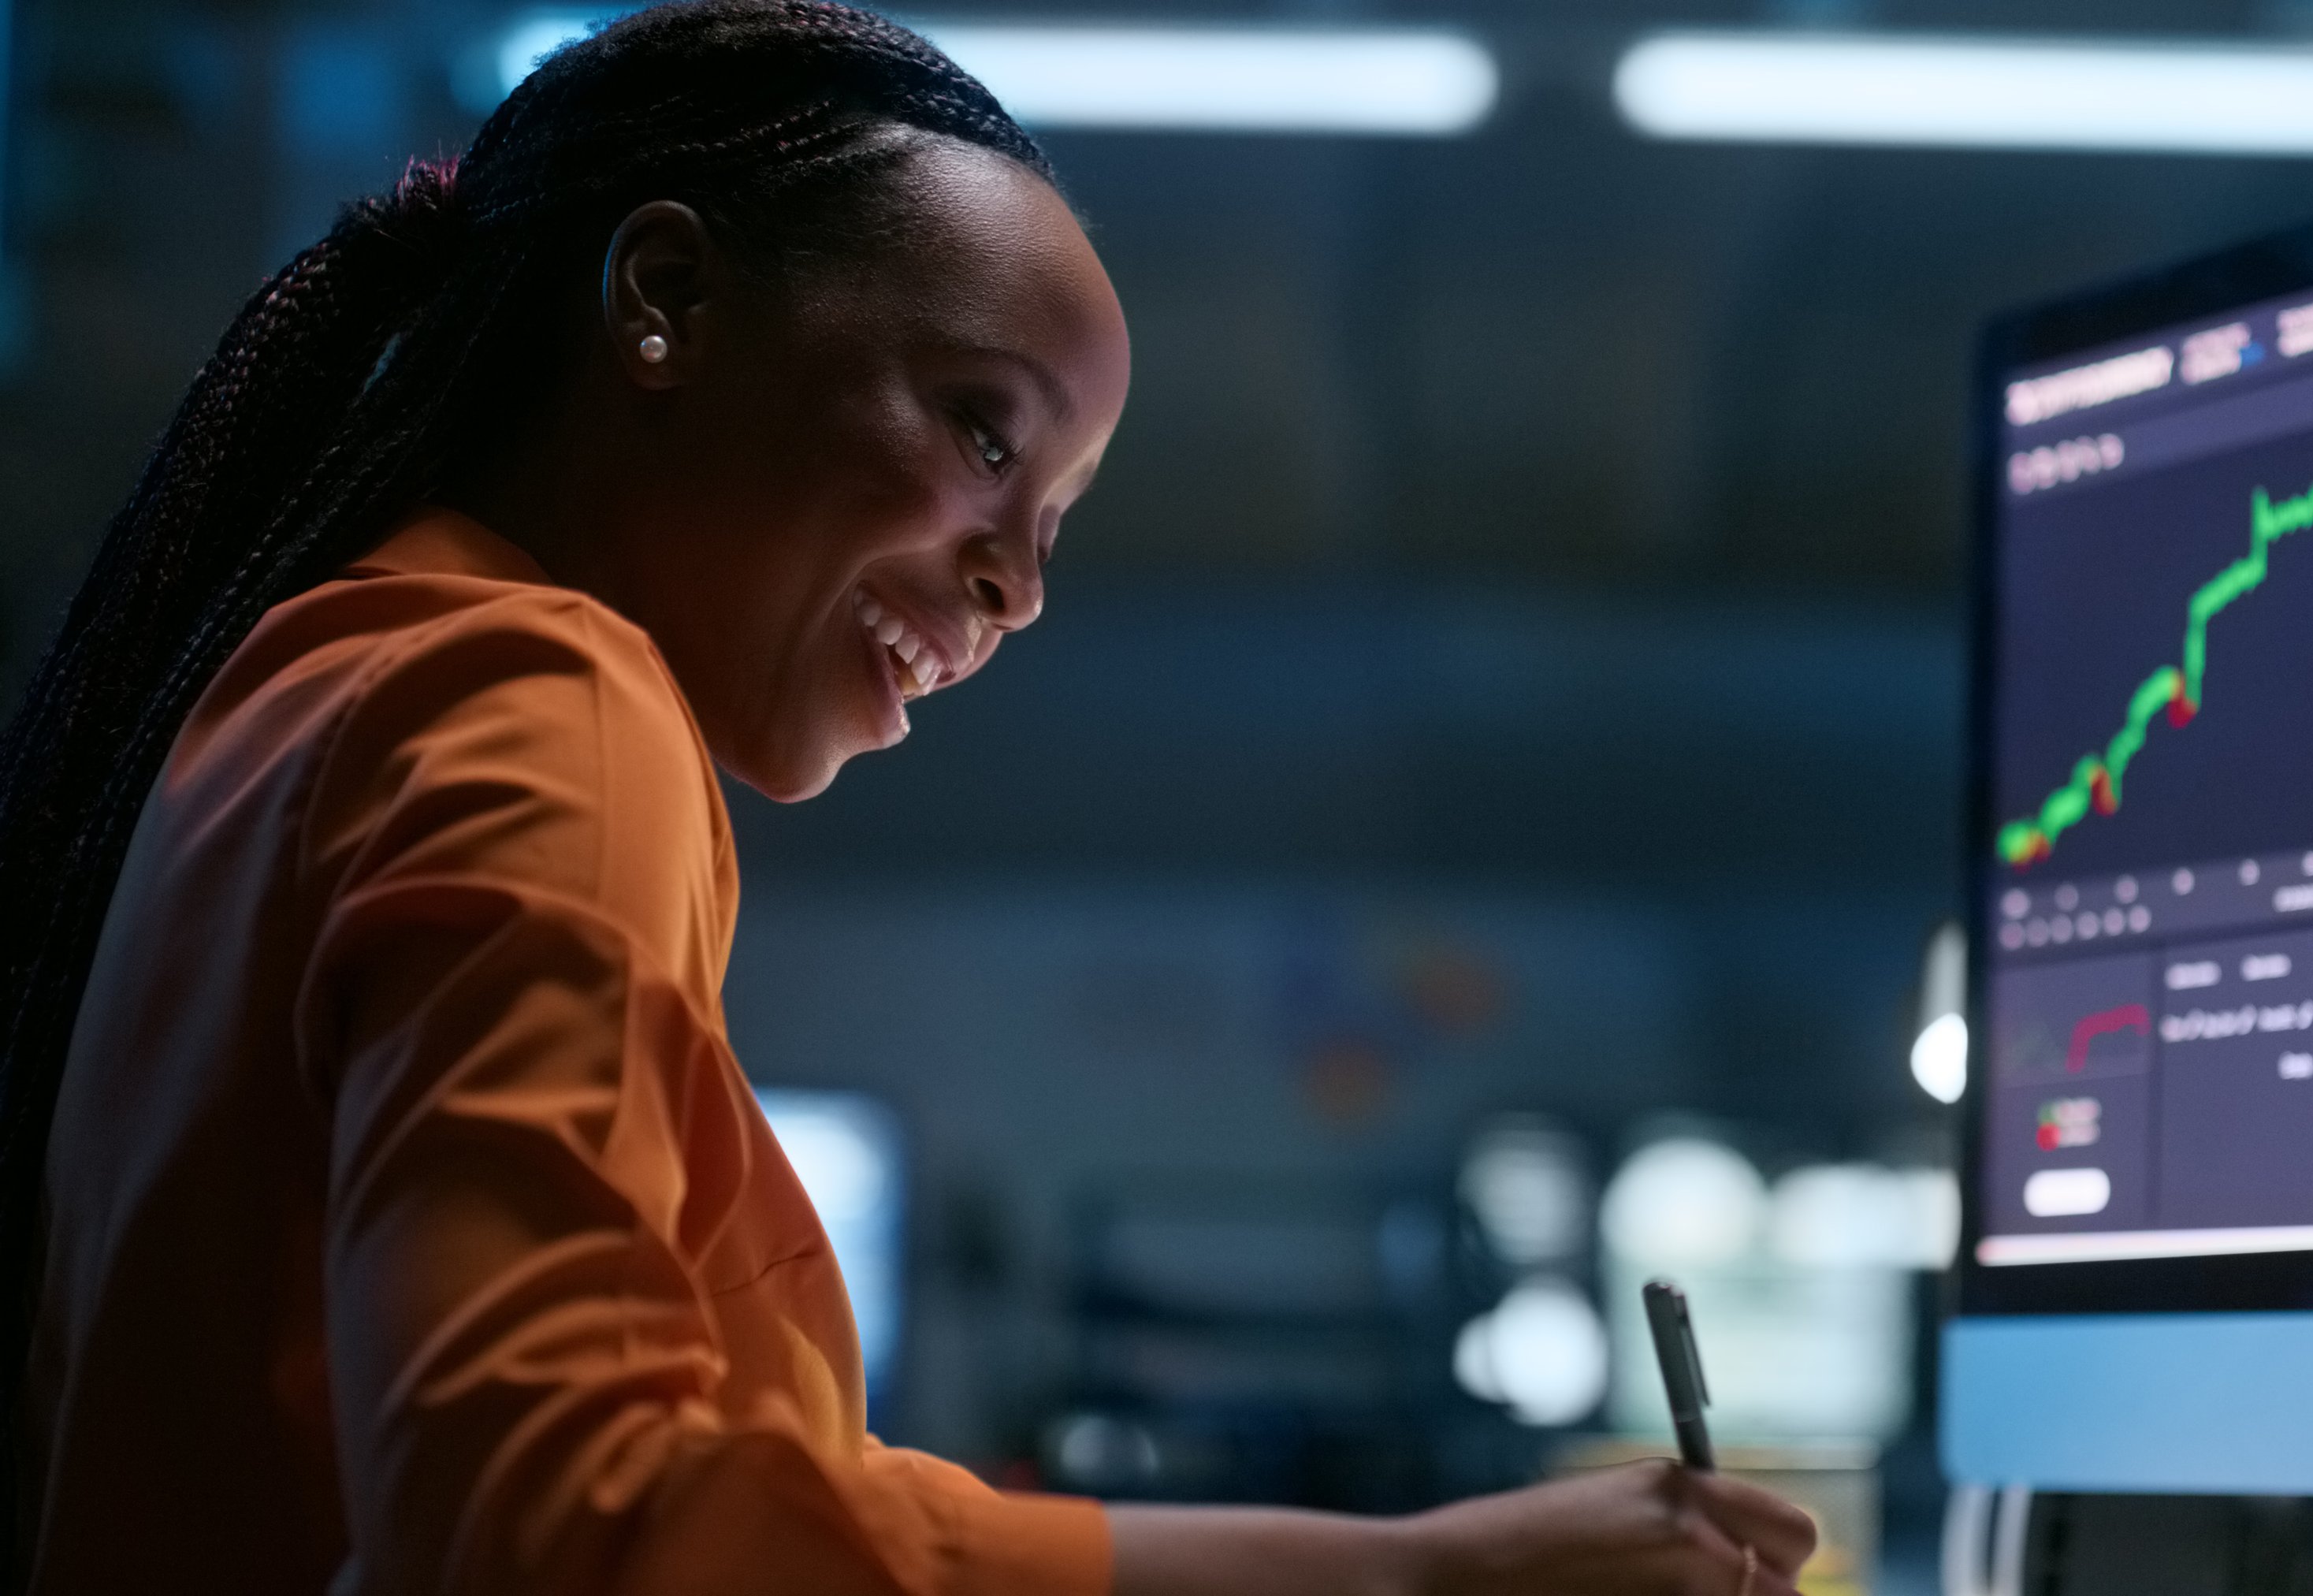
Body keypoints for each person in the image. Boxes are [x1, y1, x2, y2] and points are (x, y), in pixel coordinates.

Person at [0, 4, 1818, 1592]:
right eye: (982, 430)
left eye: (1052, 529)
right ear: (667, 300)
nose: (1019, 584)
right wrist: (1413, 1578)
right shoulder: (539, 700)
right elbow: (561, 1527)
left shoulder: (299, 695)